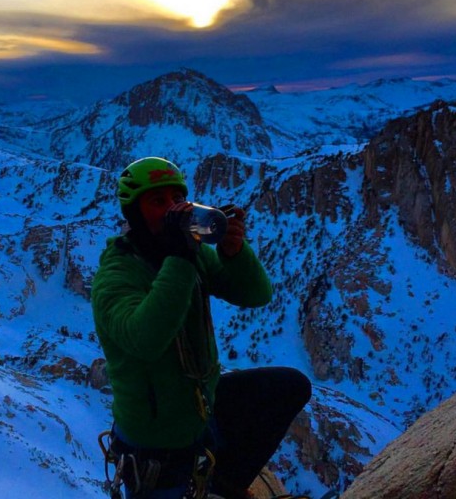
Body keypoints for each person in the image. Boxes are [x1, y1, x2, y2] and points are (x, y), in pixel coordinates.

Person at [92, 157, 312, 499]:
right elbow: (145, 339)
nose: (171, 209)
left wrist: (235, 252)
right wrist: (180, 258)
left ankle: (222, 485)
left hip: (198, 408)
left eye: (176, 198)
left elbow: (255, 294)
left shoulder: (187, 252)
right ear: (133, 213)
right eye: (157, 201)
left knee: (288, 387)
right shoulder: (116, 276)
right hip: (158, 441)